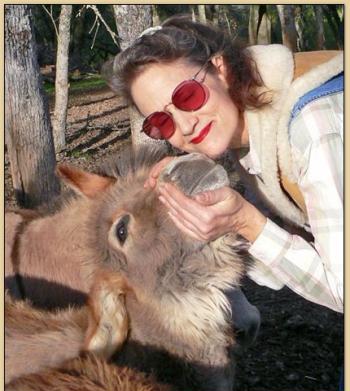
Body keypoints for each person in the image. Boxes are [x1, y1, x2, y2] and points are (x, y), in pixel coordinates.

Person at [103, 15, 343, 319]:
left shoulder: (313, 126)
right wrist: (205, 201)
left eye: (187, 96)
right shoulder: (251, 133)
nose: (186, 126)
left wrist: (245, 222)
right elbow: (281, 271)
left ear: (221, 69)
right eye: (162, 122)